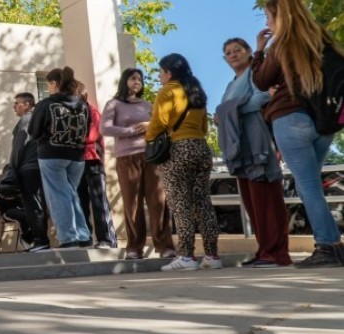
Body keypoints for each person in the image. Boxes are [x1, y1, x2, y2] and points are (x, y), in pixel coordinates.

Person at [252, 0, 344, 268]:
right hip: (323, 122)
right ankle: (331, 246)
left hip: (290, 120)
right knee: (311, 186)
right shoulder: (321, 40)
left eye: (269, 17)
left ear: (280, 16)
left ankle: (329, 247)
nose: (267, 23)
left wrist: (258, 51)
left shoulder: (281, 45)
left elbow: (260, 80)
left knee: (307, 186)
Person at [215, 37, 291, 268]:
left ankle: (275, 253)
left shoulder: (254, 73)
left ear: (249, 52)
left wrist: (230, 109)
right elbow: (224, 113)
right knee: (252, 202)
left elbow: (263, 96)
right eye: (228, 53)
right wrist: (224, 113)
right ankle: (263, 250)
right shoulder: (231, 85)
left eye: (238, 50)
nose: (233, 55)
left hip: (258, 143)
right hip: (239, 148)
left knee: (266, 198)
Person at [147, 53, 220, 271]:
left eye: (161, 72)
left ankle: (187, 256)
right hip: (201, 148)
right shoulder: (196, 92)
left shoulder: (168, 91)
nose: (160, 76)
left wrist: (149, 140)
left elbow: (158, 123)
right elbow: (205, 128)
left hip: (178, 149)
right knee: (203, 203)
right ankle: (212, 255)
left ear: (168, 73)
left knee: (180, 204)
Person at [101, 69, 175, 259]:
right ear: (125, 80)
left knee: (158, 201)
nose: (137, 82)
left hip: (151, 156)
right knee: (132, 203)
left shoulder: (148, 105)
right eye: (133, 78)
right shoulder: (114, 104)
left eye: (140, 79)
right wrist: (133, 130)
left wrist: (150, 126)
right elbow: (106, 128)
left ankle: (165, 247)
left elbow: (163, 124)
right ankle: (134, 248)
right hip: (126, 157)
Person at [28, 67, 91, 248]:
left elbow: (33, 131)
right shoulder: (82, 104)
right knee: (71, 194)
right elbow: (87, 129)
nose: (48, 87)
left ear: (55, 83)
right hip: (77, 156)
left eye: (49, 83)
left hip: (52, 154)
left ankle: (68, 238)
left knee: (58, 196)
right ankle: (83, 235)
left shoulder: (46, 104)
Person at [75, 84, 117, 249]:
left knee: (99, 200)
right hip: (78, 162)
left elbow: (92, 136)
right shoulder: (75, 114)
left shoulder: (92, 112)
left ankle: (107, 239)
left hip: (93, 160)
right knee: (81, 201)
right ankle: (85, 239)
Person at [9, 92, 50, 252]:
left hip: (29, 168)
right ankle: (40, 241)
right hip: (39, 166)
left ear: (27, 105)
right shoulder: (39, 119)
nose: (14, 106)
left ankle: (41, 241)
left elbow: (18, 147)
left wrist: (12, 168)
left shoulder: (26, 119)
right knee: (38, 204)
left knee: (34, 205)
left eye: (17, 103)